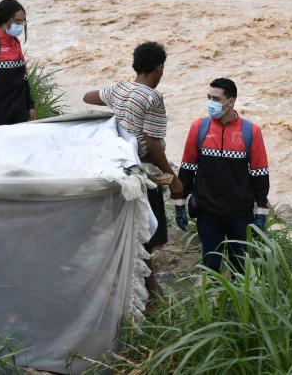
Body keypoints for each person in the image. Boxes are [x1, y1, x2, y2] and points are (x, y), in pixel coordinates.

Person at [82, 41, 183, 298]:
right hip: (142, 173)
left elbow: (87, 97)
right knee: (145, 232)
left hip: (119, 169)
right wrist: (172, 178)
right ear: (159, 67)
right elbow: (152, 143)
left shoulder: (120, 88)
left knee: (130, 228)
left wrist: (118, 107)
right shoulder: (152, 97)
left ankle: (128, 281)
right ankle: (151, 294)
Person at [173, 78, 270, 274]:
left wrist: (261, 213)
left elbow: (260, 173)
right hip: (208, 213)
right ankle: (211, 303)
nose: (211, 103)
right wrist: (180, 205)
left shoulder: (251, 131)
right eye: (209, 97)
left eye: (216, 99)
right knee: (210, 266)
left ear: (231, 102)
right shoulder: (199, 128)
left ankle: (239, 304)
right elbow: (187, 168)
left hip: (240, 214)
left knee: (241, 269)